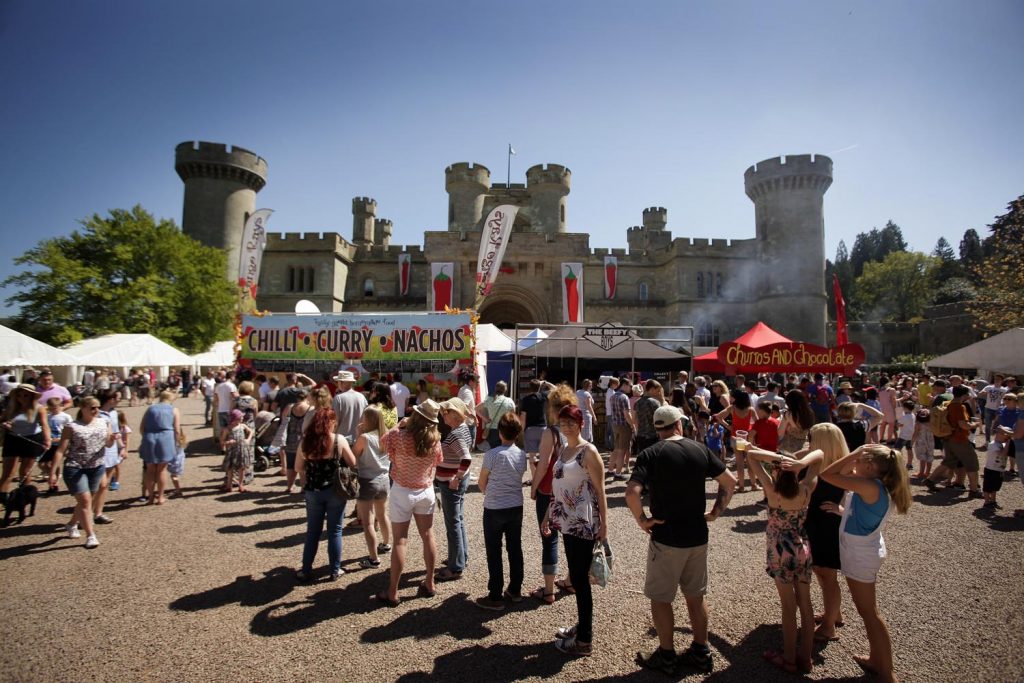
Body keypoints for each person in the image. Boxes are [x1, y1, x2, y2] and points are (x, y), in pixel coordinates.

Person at [626, 405, 736, 675]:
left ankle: (666, 655)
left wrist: (642, 520)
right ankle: (701, 651)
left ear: (657, 427)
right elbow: (729, 481)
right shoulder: (699, 448)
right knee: (696, 596)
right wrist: (716, 511)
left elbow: (631, 492)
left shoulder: (650, 454)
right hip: (697, 534)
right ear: (679, 424)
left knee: (661, 598)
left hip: (667, 535)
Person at [820, 444, 912, 683]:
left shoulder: (870, 486)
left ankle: (887, 673)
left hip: (860, 555)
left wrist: (854, 453)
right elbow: (858, 506)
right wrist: (842, 511)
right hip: (861, 551)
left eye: (860, 461)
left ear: (870, 466)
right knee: (867, 611)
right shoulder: (873, 485)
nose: (855, 464)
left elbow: (828, 474)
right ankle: (876, 661)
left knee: (869, 613)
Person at [745, 444, 825, 674]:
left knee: (788, 607)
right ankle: (806, 657)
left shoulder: (772, 491)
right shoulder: (806, 490)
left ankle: (789, 658)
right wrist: (799, 464)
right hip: (802, 547)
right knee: (806, 605)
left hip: (779, 551)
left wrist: (778, 458)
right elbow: (819, 455)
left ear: (777, 472)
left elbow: (751, 455)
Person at [541, 405, 609, 657]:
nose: (566, 426)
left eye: (571, 422)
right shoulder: (564, 449)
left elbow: (601, 491)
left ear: (581, 424)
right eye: (563, 422)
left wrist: (605, 524)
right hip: (566, 520)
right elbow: (557, 484)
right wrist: (549, 513)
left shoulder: (588, 451)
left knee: (580, 580)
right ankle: (582, 628)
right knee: (578, 576)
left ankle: (584, 640)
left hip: (582, 522)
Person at [375, 399, 443, 607]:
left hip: (402, 491)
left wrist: (398, 425)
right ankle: (430, 583)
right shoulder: (435, 439)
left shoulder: (399, 435)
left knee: (400, 541)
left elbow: (382, 444)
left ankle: (393, 591)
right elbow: (437, 462)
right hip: (425, 490)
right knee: (428, 536)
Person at [799, 423, 851, 643]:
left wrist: (843, 511)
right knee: (823, 573)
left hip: (826, 525)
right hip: (817, 522)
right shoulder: (839, 466)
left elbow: (865, 499)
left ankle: (829, 626)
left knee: (826, 575)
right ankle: (834, 614)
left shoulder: (844, 468)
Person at [528, 384, 578, 604]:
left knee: (549, 538)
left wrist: (533, 486)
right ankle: (571, 580)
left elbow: (544, 464)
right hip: (573, 491)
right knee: (572, 538)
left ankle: (549, 590)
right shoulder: (579, 429)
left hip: (549, 490)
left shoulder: (552, 432)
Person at [294, 406, 357, 581]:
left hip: (313, 490)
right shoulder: (339, 440)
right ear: (332, 423)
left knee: (313, 531)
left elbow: (298, 467)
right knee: (335, 530)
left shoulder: (306, 441)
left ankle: (306, 569)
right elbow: (352, 462)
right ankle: (335, 570)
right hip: (335, 490)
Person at [475, 412, 528, 611]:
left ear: (500, 432)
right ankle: (515, 589)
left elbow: (482, 482)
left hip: (494, 507)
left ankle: (495, 594)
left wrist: (488, 493)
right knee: (515, 548)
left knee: (494, 550)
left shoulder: (492, 454)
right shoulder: (521, 454)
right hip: (515, 505)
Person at [50, 397, 116, 548]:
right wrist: (53, 473)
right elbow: (61, 450)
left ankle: (72, 524)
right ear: (83, 408)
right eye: (93, 408)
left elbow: (108, 443)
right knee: (86, 501)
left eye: (98, 407)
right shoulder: (71, 426)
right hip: (75, 467)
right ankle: (90, 535)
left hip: (96, 467)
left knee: (86, 501)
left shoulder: (104, 422)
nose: (96, 410)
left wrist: (112, 439)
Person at [434, 397, 474, 581]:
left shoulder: (456, 434)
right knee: (458, 520)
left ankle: (456, 566)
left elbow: (466, 458)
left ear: (454, 414)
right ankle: (460, 557)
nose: (443, 415)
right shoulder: (462, 429)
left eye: (445, 412)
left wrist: (456, 478)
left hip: (452, 482)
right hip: (456, 480)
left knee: (453, 524)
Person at [352, 406, 391, 568]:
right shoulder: (387, 436)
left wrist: (357, 435)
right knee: (382, 515)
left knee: (368, 522)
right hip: (384, 480)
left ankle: (373, 558)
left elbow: (354, 455)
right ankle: (386, 543)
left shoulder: (365, 438)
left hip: (367, 480)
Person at [925, 385, 981, 496]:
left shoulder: (948, 404)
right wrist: (975, 424)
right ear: (964, 395)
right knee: (972, 463)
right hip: (959, 439)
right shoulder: (960, 407)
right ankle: (974, 490)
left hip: (948, 437)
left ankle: (930, 480)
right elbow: (963, 425)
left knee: (949, 462)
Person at [1, 384, 51, 499]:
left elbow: (45, 425)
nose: (21, 397)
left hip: (31, 440)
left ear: (32, 396)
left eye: (25, 395)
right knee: (8, 472)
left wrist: (47, 439)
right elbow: (3, 419)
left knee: (25, 471)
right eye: (18, 395)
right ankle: (2, 496)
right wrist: (5, 424)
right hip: (13, 439)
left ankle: (24, 497)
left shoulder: (39, 408)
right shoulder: (12, 407)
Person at [139, 390, 183, 504]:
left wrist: (146, 437)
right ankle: (160, 497)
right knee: (161, 469)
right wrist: (177, 443)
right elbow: (177, 430)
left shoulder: (150, 408)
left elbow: (142, 427)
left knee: (150, 470)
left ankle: (150, 496)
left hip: (149, 437)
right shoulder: (174, 410)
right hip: (165, 438)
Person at [715, 389, 757, 492]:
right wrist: (751, 429)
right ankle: (753, 485)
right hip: (747, 437)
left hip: (735, 437)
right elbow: (758, 423)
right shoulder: (750, 409)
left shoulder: (732, 408)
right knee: (751, 462)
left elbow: (719, 416)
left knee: (740, 463)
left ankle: (741, 486)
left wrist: (728, 426)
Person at [42, 397, 72, 493]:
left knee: (56, 462)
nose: (53, 410)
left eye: (55, 407)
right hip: (49, 442)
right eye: (51, 408)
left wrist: (63, 440)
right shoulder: (47, 416)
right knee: (42, 463)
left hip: (60, 442)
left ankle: (54, 483)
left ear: (60, 406)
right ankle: (52, 474)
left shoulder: (65, 417)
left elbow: (71, 430)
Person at [608, 377, 636, 480]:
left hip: (615, 425)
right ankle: (618, 473)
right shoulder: (624, 397)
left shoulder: (613, 396)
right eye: (630, 386)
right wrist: (633, 426)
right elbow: (626, 414)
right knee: (623, 450)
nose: (631, 388)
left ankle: (610, 470)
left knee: (616, 448)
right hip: (624, 426)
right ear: (624, 385)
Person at [220, 410, 253, 493]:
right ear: (235, 419)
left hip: (242, 449)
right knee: (230, 468)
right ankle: (229, 485)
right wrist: (228, 442)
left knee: (242, 468)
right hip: (232, 450)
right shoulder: (228, 429)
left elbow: (251, 431)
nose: (242, 418)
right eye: (240, 417)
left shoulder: (242, 426)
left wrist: (248, 439)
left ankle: (241, 485)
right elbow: (222, 441)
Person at [331, 370, 367, 443]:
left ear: (341, 382)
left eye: (337, 381)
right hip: (358, 439)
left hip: (341, 440)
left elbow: (335, 422)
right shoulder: (361, 397)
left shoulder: (338, 398)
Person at [982, 426, 1013, 509]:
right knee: (988, 486)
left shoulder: (1002, 444)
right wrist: (1008, 443)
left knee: (995, 486)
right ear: (1000, 434)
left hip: (999, 469)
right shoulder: (993, 444)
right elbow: (1002, 454)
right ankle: (987, 502)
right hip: (991, 469)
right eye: (1007, 434)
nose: (1008, 437)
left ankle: (993, 501)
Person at [480, 380, 516, 449]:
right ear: (505, 390)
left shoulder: (489, 400)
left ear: (495, 389)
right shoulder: (509, 401)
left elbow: (476, 409)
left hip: (491, 430)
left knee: (494, 449)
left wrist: (485, 419)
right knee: (504, 449)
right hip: (504, 429)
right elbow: (513, 416)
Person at [633, 380, 662, 455]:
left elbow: (634, 419)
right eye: (657, 390)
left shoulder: (637, 402)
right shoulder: (655, 402)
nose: (659, 393)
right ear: (652, 389)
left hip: (641, 434)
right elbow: (659, 418)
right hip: (653, 435)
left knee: (643, 456)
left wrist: (636, 432)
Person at [911, 408, 935, 480]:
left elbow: (915, 434)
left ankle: (921, 473)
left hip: (921, 442)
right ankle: (927, 472)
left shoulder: (918, 424)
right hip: (930, 442)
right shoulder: (931, 423)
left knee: (922, 458)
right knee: (929, 457)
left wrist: (911, 442)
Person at [213, 371, 239, 436]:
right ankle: (230, 445)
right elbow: (235, 397)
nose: (235, 379)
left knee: (223, 429)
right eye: (234, 377)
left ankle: (223, 444)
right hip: (229, 410)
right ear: (232, 377)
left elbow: (216, 399)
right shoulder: (231, 385)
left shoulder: (218, 386)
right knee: (231, 429)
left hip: (220, 410)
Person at [457, 372, 479, 444]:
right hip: (468, 423)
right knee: (469, 446)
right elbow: (464, 407)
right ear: (471, 382)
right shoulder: (467, 392)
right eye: (476, 382)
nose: (478, 384)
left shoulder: (463, 389)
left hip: (465, 422)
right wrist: (474, 417)